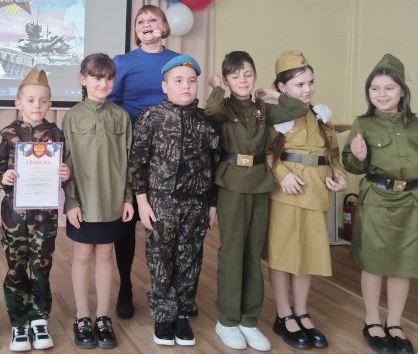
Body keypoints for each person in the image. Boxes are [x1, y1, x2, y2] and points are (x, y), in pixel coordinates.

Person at [206, 51, 307, 352]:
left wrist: (275, 94)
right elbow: (211, 110)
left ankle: (248, 319)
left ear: (255, 76)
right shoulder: (225, 108)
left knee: (252, 251)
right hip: (232, 183)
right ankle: (227, 319)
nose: (242, 80)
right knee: (232, 250)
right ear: (227, 80)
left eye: (248, 74)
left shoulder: (262, 110)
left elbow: (298, 107)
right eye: (235, 76)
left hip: (260, 183)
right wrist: (217, 87)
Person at [129, 54, 220, 347]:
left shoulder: (207, 121)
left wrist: (212, 204)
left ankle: (182, 312)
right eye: (178, 81)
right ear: (165, 86)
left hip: (196, 203)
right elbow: (137, 162)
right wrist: (141, 201)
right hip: (160, 202)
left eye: (191, 81)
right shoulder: (151, 117)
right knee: (160, 259)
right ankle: (164, 315)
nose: (186, 86)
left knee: (190, 259)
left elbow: (214, 166)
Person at [264, 51, 347, 350]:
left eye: (310, 82)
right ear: (282, 87)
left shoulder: (322, 115)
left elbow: (333, 154)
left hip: (316, 193)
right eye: (299, 84)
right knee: (282, 254)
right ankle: (283, 314)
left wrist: (340, 175)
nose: (308, 89)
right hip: (287, 192)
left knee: (308, 256)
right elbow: (265, 153)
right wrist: (282, 174)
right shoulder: (276, 115)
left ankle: (301, 311)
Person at [0, 67, 70, 352]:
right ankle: (18, 322)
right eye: (31, 100)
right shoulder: (7, 134)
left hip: (45, 216)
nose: (37, 105)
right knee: (16, 266)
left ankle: (39, 318)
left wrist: (64, 173)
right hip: (15, 215)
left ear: (50, 104)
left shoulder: (56, 134)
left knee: (42, 265)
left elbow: (66, 170)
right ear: (18, 103)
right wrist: (4, 177)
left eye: (43, 101)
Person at [108, 4, 180, 319]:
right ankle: (125, 287)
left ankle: (165, 289)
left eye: (153, 19)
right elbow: (111, 105)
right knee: (127, 223)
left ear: (164, 26)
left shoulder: (178, 61)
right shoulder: (122, 62)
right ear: (136, 29)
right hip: (131, 150)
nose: (147, 24)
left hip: (168, 154)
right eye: (141, 21)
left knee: (164, 224)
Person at [342, 54, 417, 354]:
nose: (381, 94)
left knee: (403, 265)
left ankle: (395, 323)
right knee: (374, 263)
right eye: (375, 88)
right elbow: (350, 163)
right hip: (376, 200)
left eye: (389, 88)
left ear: (402, 91)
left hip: (411, 202)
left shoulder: (415, 125)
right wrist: (358, 157)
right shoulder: (363, 124)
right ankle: (372, 320)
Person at [63, 53, 135, 349]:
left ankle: (103, 317)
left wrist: (128, 198)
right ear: (83, 79)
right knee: (82, 255)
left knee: (106, 255)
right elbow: (66, 162)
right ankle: (82, 317)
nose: (103, 83)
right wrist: (71, 202)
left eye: (108, 78)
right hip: (83, 201)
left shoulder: (121, 116)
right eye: (96, 77)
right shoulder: (71, 116)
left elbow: (129, 160)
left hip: (112, 200)